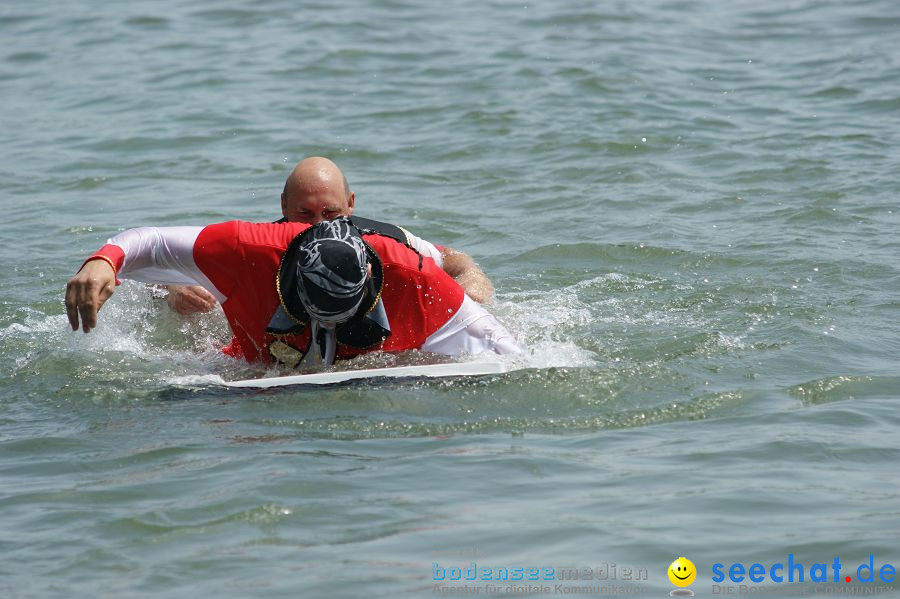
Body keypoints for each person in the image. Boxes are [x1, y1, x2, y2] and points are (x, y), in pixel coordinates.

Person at [65, 217, 521, 367]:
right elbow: (151, 242)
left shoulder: (411, 269)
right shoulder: (249, 247)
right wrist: (103, 260)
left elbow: (511, 355)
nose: (316, 216)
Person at [165, 157, 494, 315]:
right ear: (283, 205)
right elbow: (158, 267)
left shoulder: (383, 239)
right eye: (304, 214)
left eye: (331, 213)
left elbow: (454, 260)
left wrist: (472, 286)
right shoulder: (258, 246)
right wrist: (173, 290)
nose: (319, 227)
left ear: (350, 205)